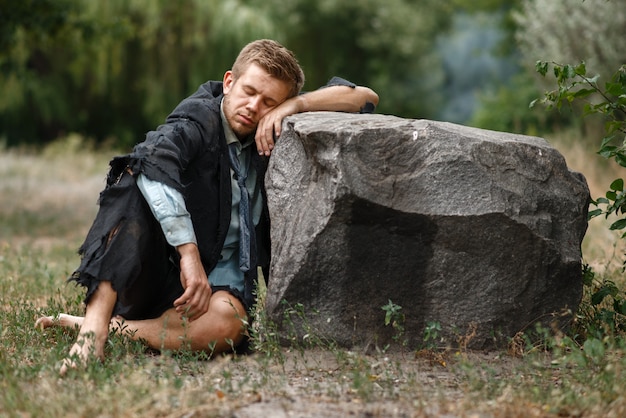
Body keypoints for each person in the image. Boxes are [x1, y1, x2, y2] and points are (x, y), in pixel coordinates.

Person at [35, 39, 378, 374]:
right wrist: (189, 255)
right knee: (134, 181)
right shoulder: (199, 116)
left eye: (268, 102)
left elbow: (365, 97)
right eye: (248, 92)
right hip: (158, 271)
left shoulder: (275, 125)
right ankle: (92, 332)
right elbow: (154, 158)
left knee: (230, 323)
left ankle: (122, 330)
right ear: (229, 82)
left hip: (215, 290)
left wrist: (296, 107)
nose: (254, 107)